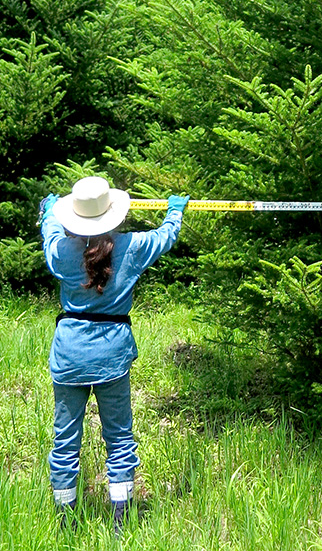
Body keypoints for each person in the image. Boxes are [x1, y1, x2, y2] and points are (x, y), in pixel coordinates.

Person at [39, 176, 190, 529]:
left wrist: (47, 213)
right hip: (112, 355)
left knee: (65, 439)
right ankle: (122, 521)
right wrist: (174, 213)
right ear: (112, 213)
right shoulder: (133, 247)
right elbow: (165, 237)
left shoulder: (62, 252)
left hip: (69, 354)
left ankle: (66, 523)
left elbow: (49, 235)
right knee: (120, 437)